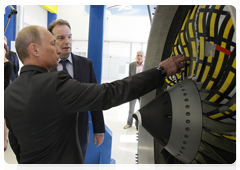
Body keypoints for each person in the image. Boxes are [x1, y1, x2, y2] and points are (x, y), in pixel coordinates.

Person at [4, 25, 188, 170]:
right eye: (53, 43)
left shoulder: (9, 93)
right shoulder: (55, 83)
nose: (58, 50)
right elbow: (109, 93)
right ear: (34, 49)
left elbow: (16, 143)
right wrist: (160, 71)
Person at [48, 19, 105, 162]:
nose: (67, 41)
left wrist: (99, 129)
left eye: (69, 36)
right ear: (52, 41)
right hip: (52, 132)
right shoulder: (46, 67)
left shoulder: (86, 64)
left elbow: (95, 97)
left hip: (79, 130)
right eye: (61, 38)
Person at [124, 50, 145, 130]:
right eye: (138, 55)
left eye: (141, 55)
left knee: (142, 108)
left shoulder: (146, 65)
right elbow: (129, 77)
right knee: (131, 108)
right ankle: (129, 123)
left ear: (144, 57)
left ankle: (141, 124)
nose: (139, 57)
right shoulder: (132, 65)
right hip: (133, 89)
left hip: (143, 90)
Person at [4, 43, 12, 151]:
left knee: (3, 119)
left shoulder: (8, 65)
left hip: (4, 93)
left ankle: (4, 141)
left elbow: (6, 82)